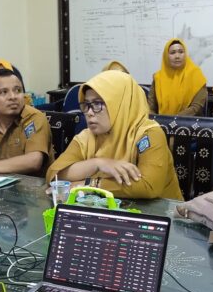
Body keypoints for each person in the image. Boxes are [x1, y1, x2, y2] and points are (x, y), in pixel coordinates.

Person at [46, 70, 183, 200]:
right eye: (86, 105)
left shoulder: (149, 133)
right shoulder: (88, 136)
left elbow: (148, 186)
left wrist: (90, 186)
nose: (89, 112)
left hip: (161, 218)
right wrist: (97, 164)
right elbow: (55, 175)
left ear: (120, 103)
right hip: (112, 214)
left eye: (98, 104)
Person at [147, 38, 208, 116]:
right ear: (166, 56)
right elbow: (150, 106)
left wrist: (173, 121)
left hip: (188, 124)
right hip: (161, 124)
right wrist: (156, 121)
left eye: (181, 52)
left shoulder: (196, 75)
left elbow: (195, 108)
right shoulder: (158, 77)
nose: (177, 56)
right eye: (172, 53)